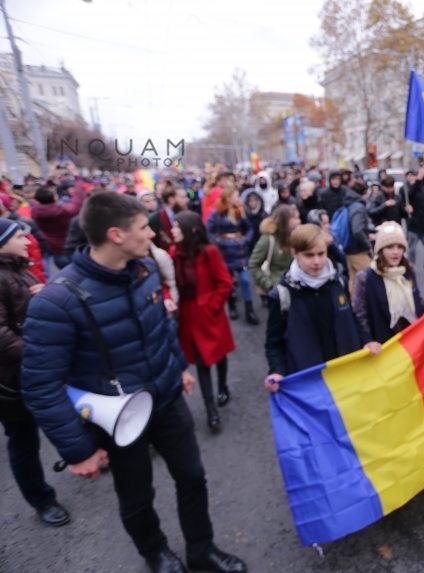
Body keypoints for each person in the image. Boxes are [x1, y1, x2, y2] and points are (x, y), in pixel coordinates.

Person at [20, 192, 246, 573]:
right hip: (119, 418)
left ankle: (201, 550)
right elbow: (41, 385)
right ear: (116, 235)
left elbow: (160, 326)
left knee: (192, 476)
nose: (154, 233)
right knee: (137, 496)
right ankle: (156, 554)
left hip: (167, 398)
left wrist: (178, 367)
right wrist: (78, 451)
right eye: (144, 227)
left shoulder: (145, 268)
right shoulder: (56, 302)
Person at [0, 219, 70, 527]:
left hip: (34, 367)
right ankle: (41, 500)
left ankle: (83, 455)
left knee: (66, 413)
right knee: (23, 440)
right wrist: (40, 352)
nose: (27, 240)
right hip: (12, 378)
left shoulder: (16, 269)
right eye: (19, 236)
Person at [263, 224, 381, 392]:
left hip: (347, 375)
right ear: (295, 253)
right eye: (309, 255)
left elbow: (351, 320)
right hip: (311, 383)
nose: (317, 261)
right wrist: (277, 371)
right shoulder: (282, 295)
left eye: (321, 254)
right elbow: (274, 343)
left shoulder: (338, 282)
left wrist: (366, 340)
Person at [171, 212, 236, 432]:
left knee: (218, 354)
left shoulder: (210, 252)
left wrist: (213, 306)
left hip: (209, 314)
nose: (172, 231)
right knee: (201, 362)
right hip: (189, 316)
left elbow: (224, 282)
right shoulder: (173, 253)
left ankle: (223, 386)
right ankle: (211, 410)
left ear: (190, 230)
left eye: (177, 227)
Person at [353, 221, 424, 342]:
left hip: (411, 341)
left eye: (400, 247)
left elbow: (418, 302)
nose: (396, 252)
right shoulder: (365, 277)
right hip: (382, 345)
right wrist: (368, 341)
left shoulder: (408, 271)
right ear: (380, 250)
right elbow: (359, 315)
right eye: (390, 247)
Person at [206, 185, 259, 325]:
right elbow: (208, 231)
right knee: (228, 282)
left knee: (246, 281)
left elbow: (249, 229)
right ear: (228, 198)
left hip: (241, 252)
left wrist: (246, 240)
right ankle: (232, 306)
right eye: (236, 196)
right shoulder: (216, 213)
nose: (239, 199)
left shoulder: (241, 211)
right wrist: (220, 241)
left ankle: (249, 309)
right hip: (225, 253)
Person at [31, 161, 86, 274]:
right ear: (55, 199)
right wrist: (76, 175)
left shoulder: (35, 211)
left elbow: (40, 195)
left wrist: (51, 176)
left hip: (56, 253)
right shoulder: (65, 211)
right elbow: (78, 197)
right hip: (72, 251)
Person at [249, 204, 300, 298]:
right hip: (277, 290)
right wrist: (270, 285)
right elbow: (253, 265)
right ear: (285, 220)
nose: (299, 221)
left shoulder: (296, 237)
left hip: (296, 288)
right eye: (295, 218)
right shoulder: (268, 239)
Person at [148, 185, 189, 251]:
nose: (187, 200)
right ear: (171, 200)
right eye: (183, 197)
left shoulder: (188, 215)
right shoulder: (153, 219)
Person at [240, 187, 268, 251]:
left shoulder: (264, 214)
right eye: (250, 200)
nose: (253, 203)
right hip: (248, 244)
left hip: (261, 243)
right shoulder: (244, 215)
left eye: (255, 200)